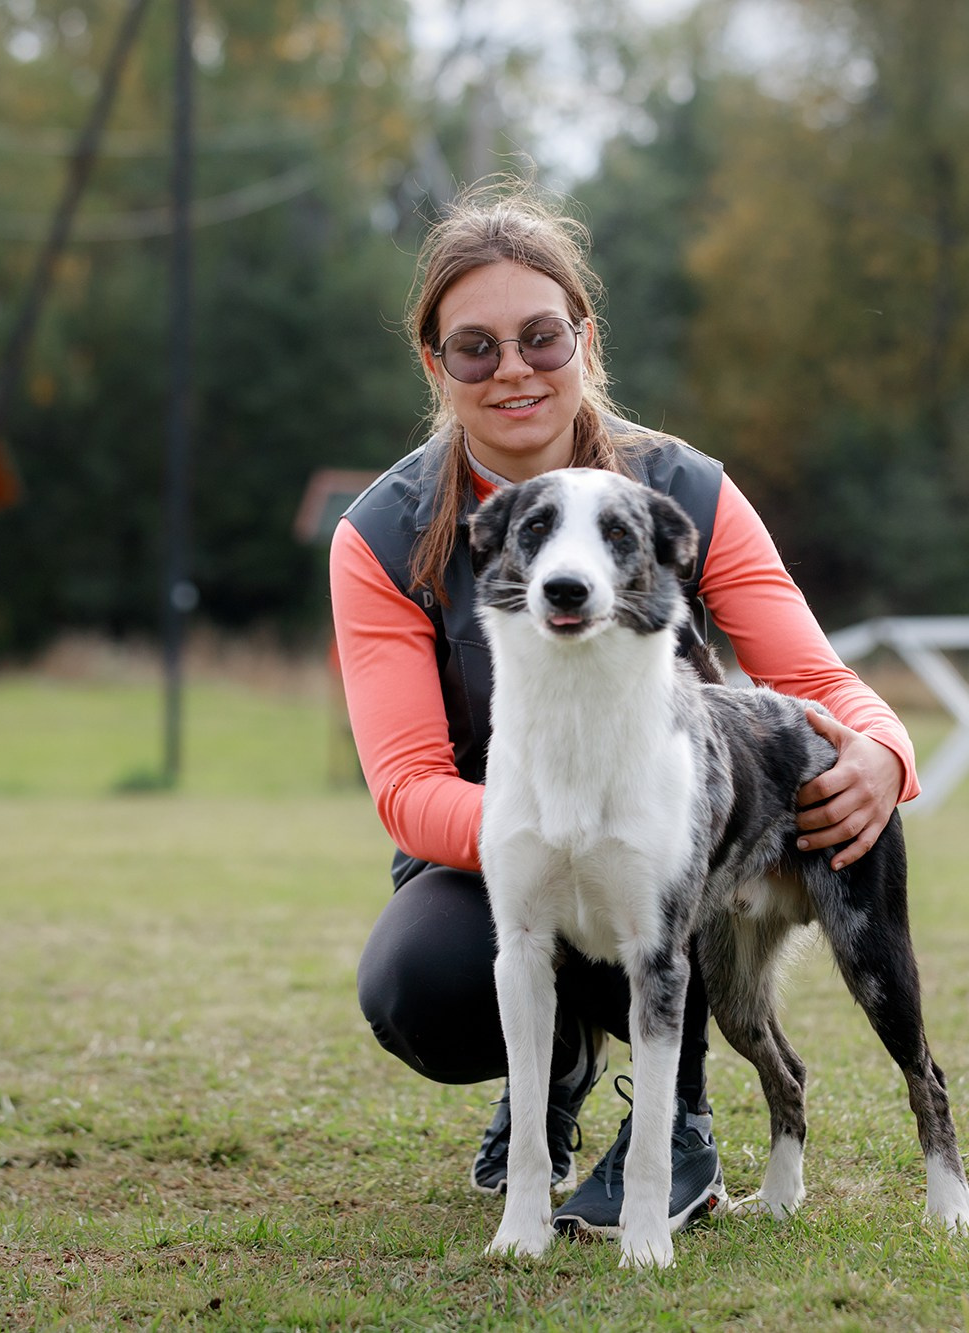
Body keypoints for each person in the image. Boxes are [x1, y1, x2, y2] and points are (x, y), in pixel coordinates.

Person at [330, 182, 921, 1239]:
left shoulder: (683, 491)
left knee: (661, 873)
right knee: (418, 982)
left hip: (666, 832)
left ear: (583, 339)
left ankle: (678, 1125)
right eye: (474, 347)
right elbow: (405, 785)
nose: (512, 369)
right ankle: (549, 1069)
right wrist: (548, 839)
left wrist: (882, 748)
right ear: (435, 365)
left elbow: (818, 681)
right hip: (495, 847)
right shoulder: (381, 533)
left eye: (540, 338)